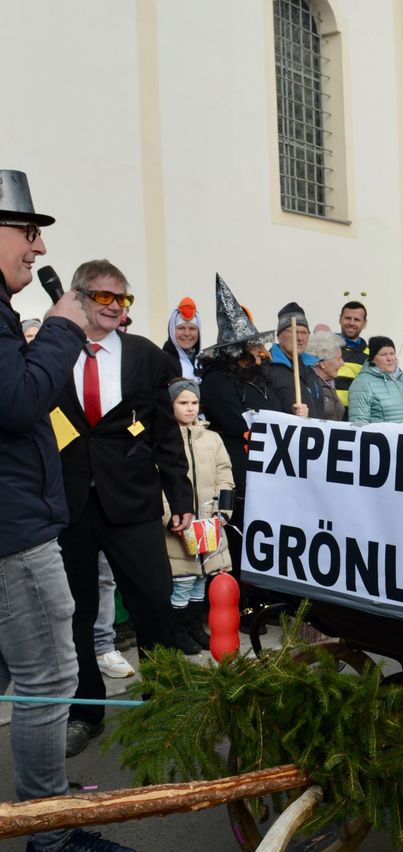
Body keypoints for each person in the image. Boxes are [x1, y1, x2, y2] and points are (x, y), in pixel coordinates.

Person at [0, 169, 134, 852]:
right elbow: (18, 403)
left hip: (43, 512)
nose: (38, 249)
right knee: (48, 675)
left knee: (45, 671)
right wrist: (55, 331)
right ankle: (48, 834)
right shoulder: (32, 319)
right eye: (28, 232)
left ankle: (45, 811)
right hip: (16, 529)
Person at [53, 259, 194, 758]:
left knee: (153, 603)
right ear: (79, 298)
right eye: (104, 297)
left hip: (133, 500)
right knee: (75, 614)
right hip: (69, 505)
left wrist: (181, 497)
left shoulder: (143, 355)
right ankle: (85, 712)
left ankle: (166, 700)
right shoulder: (53, 349)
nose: (115, 307)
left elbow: (163, 431)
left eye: (123, 299)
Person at [199, 274, 281, 589]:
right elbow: (234, 420)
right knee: (239, 532)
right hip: (237, 466)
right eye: (250, 347)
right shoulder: (217, 380)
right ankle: (240, 597)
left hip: (265, 464)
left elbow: (275, 409)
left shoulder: (262, 378)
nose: (258, 352)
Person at [165, 378, 234, 655]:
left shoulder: (211, 438)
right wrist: (170, 516)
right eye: (183, 403)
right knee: (181, 579)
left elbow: (225, 473)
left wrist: (223, 510)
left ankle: (194, 626)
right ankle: (177, 630)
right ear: (170, 405)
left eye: (194, 403)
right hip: (180, 523)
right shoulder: (164, 438)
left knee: (202, 578)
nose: (190, 408)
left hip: (208, 520)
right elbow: (157, 483)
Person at [348, 336, 403, 426]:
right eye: (383, 355)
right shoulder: (362, 383)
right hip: (379, 440)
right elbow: (358, 423)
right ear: (372, 359)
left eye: (392, 353)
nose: (389, 358)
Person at [269, 302, 325, 418]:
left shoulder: (310, 368)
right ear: (279, 336)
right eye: (293, 332)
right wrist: (292, 415)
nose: (300, 338)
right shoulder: (268, 367)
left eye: (304, 333)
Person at [305, 329, 346, 420]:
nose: (343, 363)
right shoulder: (308, 386)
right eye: (338, 359)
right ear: (323, 363)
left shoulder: (330, 383)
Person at [335, 300, 369, 409]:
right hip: (329, 415)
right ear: (340, 319)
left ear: (364, 324)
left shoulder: (370, 355)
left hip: (356, 414)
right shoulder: (326, 347)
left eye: (357, 320)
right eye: (348, 318)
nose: (352, 323)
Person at [163, 296, 201, 380]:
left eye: (192, 328)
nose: (187, 333)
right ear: (171, 331)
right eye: (181, 328)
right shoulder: (163, 363)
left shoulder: (201, 362)